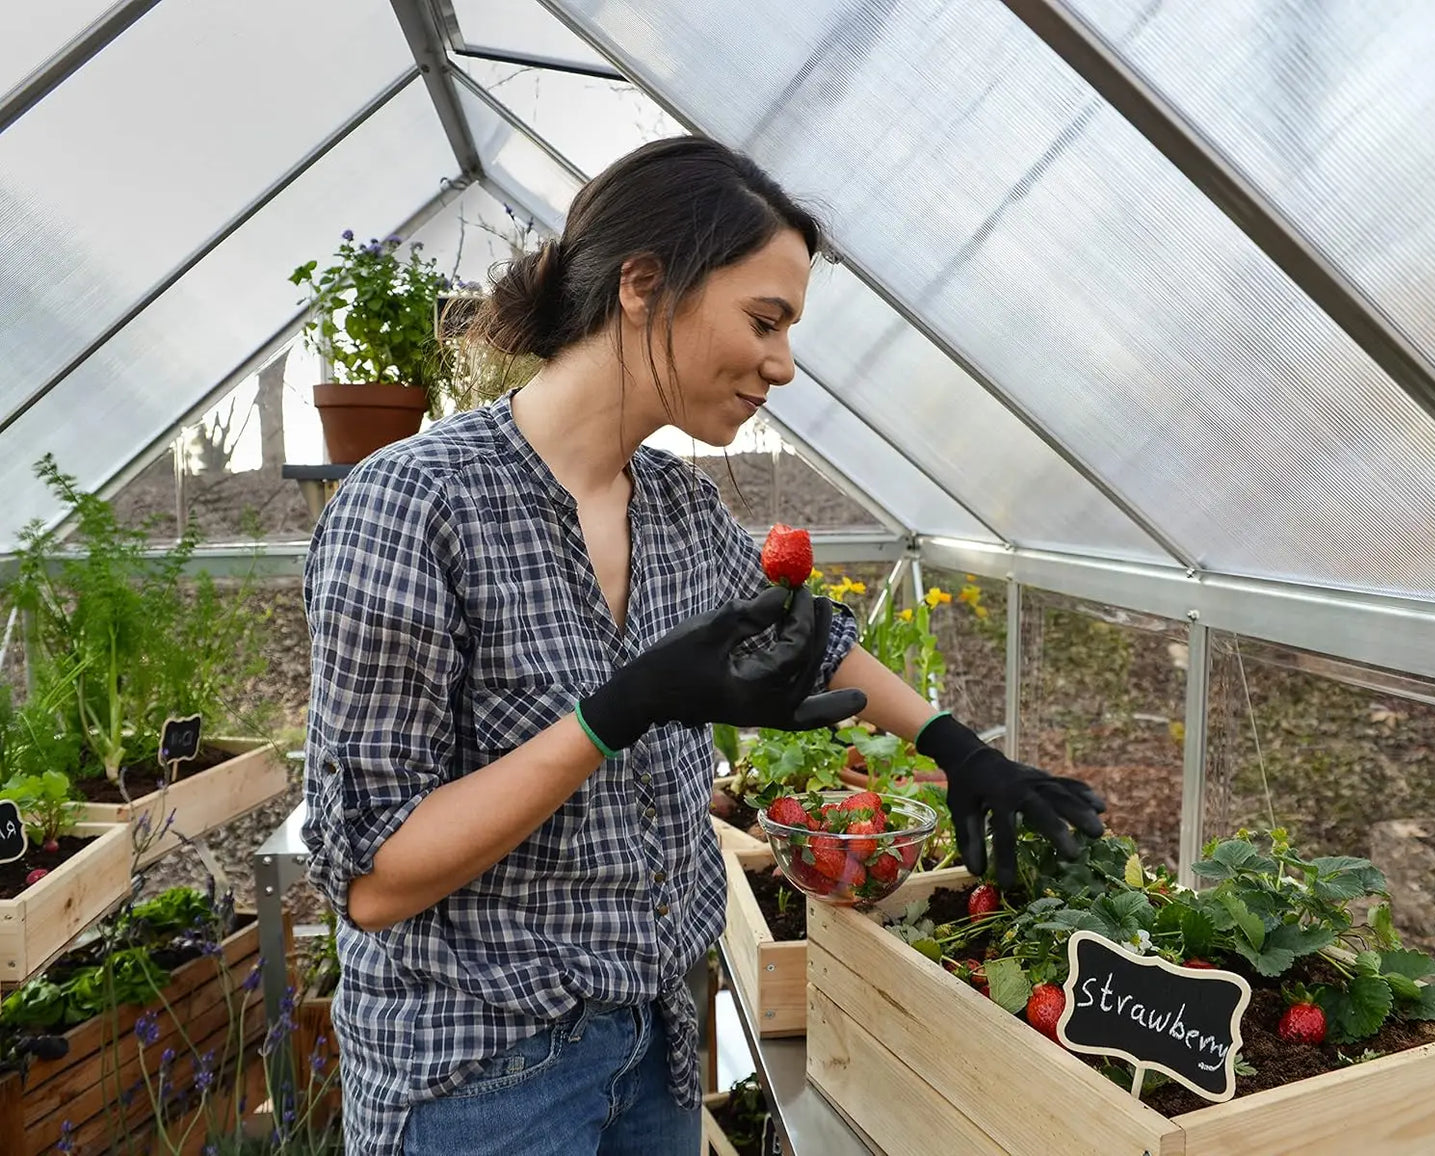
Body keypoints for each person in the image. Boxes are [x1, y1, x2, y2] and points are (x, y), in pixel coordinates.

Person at [301, 135, 1106, 1156]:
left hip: (654, 1047)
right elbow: (375, 879)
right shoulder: (413, 505)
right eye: (764, 320)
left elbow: (816, 642)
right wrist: (614, 712)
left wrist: (957, 747)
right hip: (481, 1077)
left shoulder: (678, 508)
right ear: (642, 284)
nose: (782, 362)